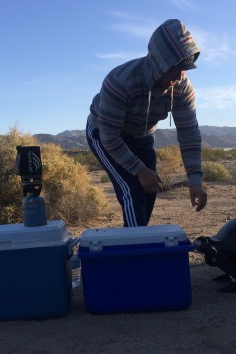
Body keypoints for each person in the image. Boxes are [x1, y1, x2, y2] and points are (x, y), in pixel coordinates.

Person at [86, 19, 207, 227]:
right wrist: (140, 170)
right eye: (175, 68)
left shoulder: (182, 89)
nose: (179, 76)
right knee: (132, 189)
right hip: (103, 133)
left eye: (185, 68)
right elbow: (109, 137)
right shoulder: (120, 81)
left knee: (150, 190)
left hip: (142, 135)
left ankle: (135, 238)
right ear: (160, 63)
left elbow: (189, 135)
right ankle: (137, 248)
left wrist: (195, 181)